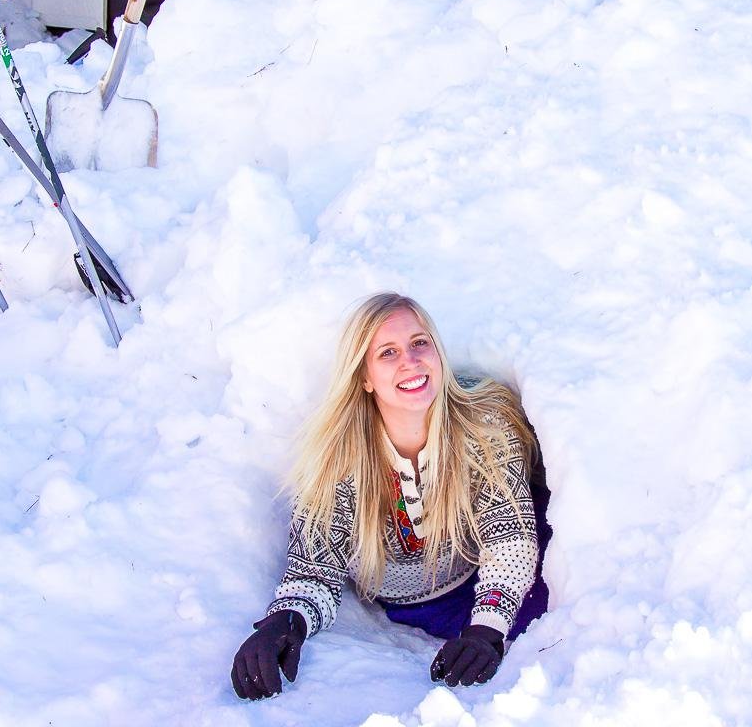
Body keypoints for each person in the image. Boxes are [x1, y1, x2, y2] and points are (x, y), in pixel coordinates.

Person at [230, 292, 551, 701]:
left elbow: (510, 539)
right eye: (387, 353)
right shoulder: (339, 460)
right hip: (427, 606)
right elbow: (314, 570)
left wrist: (487, 628)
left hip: (514, 569)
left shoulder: (482, 424)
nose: (410, 361)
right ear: (364, 377)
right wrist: (285, 623)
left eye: (420, 343)